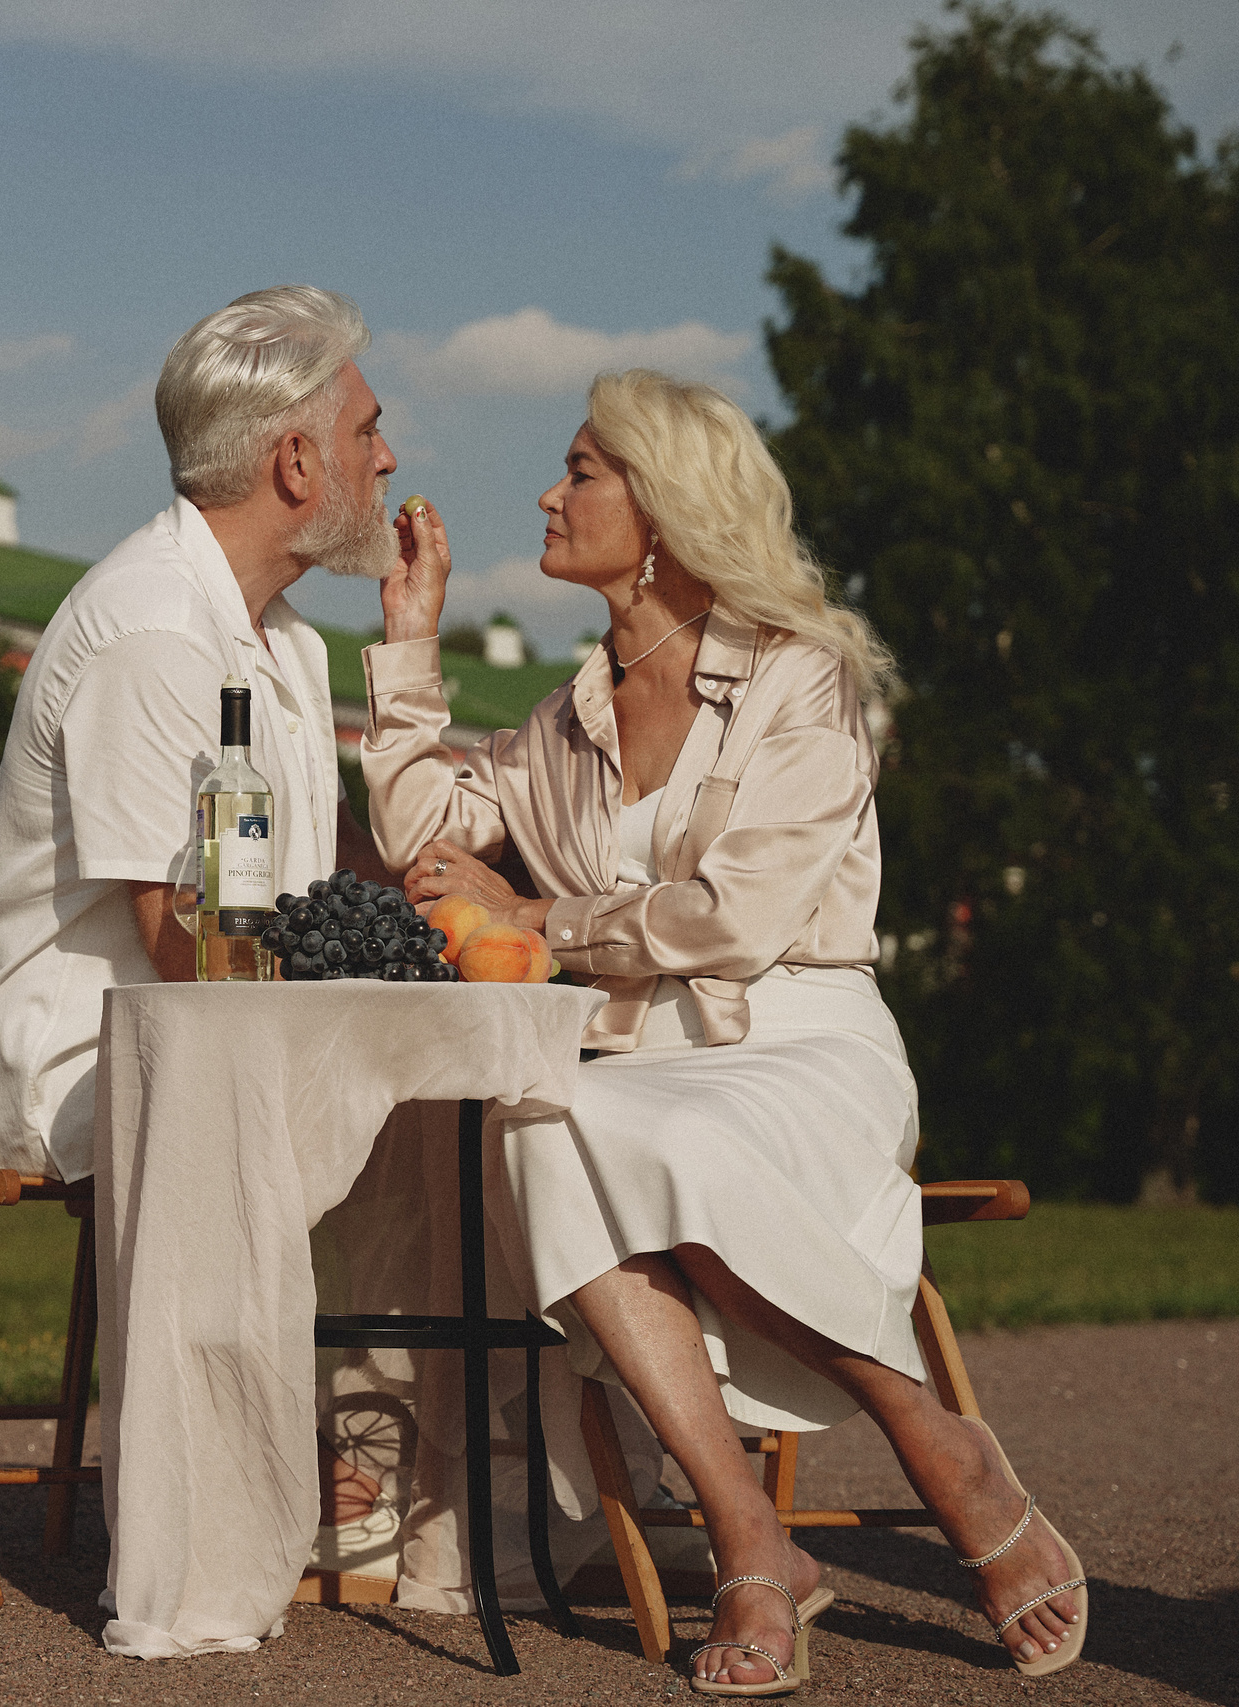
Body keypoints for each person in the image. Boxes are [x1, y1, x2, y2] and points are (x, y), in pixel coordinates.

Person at [355, 369, 1088, 1693]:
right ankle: (754, 1526)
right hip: (642, 1065)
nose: (548, 490)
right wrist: (409, 638)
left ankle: (920, 1433)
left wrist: (543, 912)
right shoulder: (562, 722)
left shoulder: (802, 679)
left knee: (597, 1128)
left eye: (581, 467)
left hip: (801, 1042)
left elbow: (737, 917)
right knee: (549, 1117)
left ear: (664, 500)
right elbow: (421, 839)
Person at [0, 285, 394, 1183]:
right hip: (86, 1064)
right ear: (298, 461)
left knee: (482, 1127)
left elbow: (354, 879)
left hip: (224, 1041)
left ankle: (368, 1332)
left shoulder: (289, 639)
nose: (387, 459)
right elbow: (182, 942)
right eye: (367, 432)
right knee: (400, 1122)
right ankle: (239, 1336)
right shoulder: (152, 628)